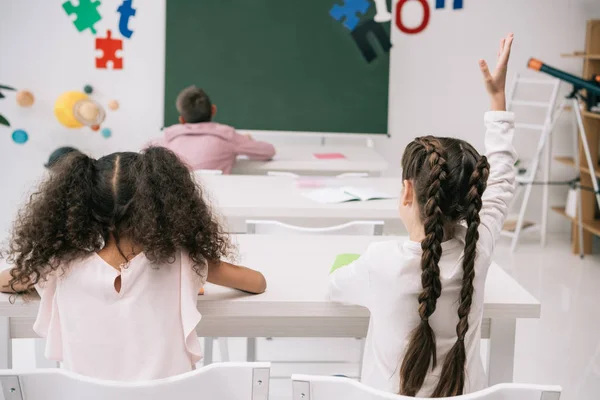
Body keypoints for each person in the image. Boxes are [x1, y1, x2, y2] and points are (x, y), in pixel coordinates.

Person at [328, 34, 516, 397]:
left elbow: (335, 286)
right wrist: (497, 100)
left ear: (408, 190)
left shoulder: (379, 262)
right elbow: (503, 178)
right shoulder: (478, 250)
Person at [0, 146, 266, 381]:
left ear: (84, 205)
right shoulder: (184, 259)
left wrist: (39, 276)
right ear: (160, 203)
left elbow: (5, 281)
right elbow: (257, 283)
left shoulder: (59, 264)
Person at [158, 86, 276, 174]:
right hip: (216, 201)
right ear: (213, 110)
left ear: (182, 120)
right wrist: (245, 140)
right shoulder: (227, 135)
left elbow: (145, 151)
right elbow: (268, 151)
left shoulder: (169, 138)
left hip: (178, 202)